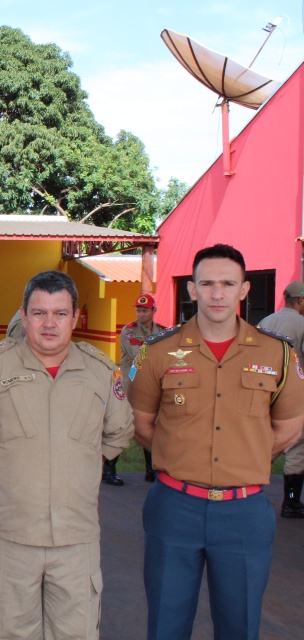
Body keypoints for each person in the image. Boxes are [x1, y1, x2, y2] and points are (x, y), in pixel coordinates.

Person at [128, 244, 304, 640]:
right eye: (207, 283)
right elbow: (141, 424)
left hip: (244, 513)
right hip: (174, 506)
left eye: (228, 283)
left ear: (244, 290)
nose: (217, 293)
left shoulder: (276, 352)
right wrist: (182, 456)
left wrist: (249, 456)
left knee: (239, 626)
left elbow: (291, 425)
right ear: (192, 289)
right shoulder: (158, 352)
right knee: (166, 626)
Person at [0, 270, 134, 639]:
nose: (50, 323)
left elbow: (120, 430)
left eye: (60, 313)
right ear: (24, 314)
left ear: (76, 317)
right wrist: (5, 454)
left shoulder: (100, 371)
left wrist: (80, 460)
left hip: (77, 540)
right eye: (39, 313)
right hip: (14, 536)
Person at [257, 280, 304, 518]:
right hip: (292, 393)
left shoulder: (266, 321)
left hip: (263, 391)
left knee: (267, 443)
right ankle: (292, 502)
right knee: (297, 445)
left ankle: (245, 486)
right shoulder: (301, 323)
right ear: (301, 301)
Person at [111, 292, 166, 485]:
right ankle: (108, 469)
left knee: (152, 426)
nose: (141, 314)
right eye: (138, 310)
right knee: (123, 427)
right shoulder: (129, 330)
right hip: (131, 385)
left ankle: (151, 470)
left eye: (145, 310)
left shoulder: (162, 330)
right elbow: (139, 355)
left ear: (153, 310)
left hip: (152, 387)